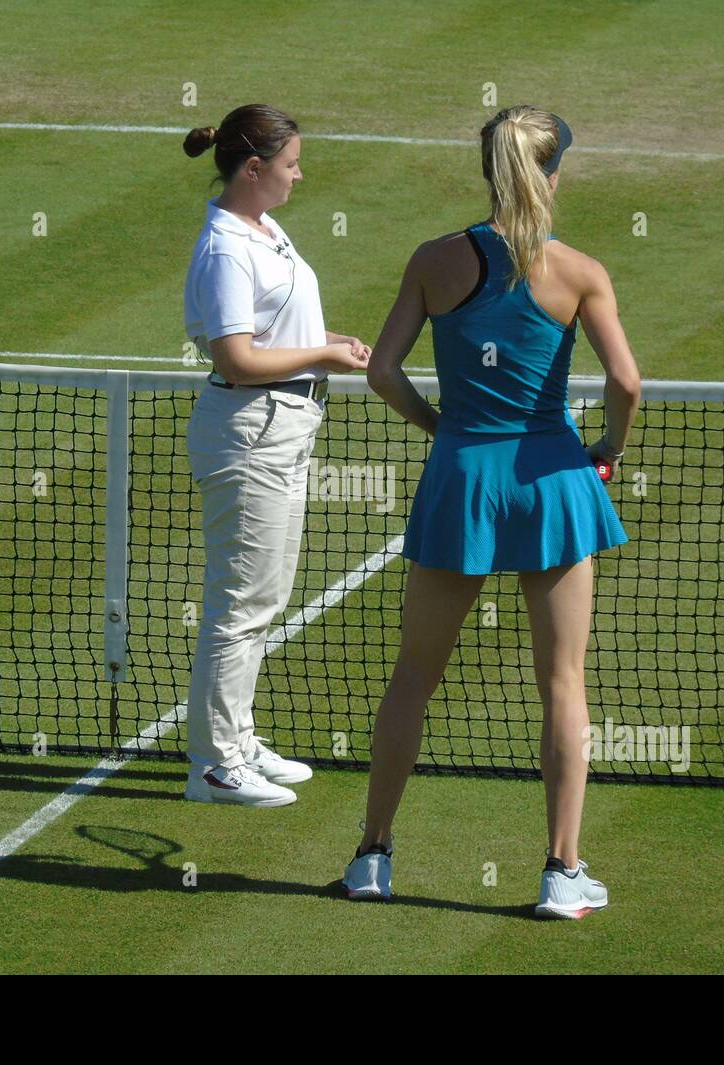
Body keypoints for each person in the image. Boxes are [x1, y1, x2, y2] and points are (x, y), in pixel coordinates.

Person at [343, 105, 641, 916]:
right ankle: (560, 872)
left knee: (413, 676)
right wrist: (607, 448)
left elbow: (383, 371)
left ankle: (372, 855)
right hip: (551, 481)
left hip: (462, 479)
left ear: (488, 171)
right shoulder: (579, 272)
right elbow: (627, 381)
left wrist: (443, 428)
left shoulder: (434, 261)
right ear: (553, 174)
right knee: (563, 681)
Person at [181, 104, 372, 807]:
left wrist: (326, 342)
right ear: (254, 169)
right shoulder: (228, 247)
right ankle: (213, 765)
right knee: (240, 602)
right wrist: (322, 352)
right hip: (251, 429)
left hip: (285, 423)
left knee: (265, 595)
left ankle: (239, 738)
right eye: (290, 164)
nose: (300, 173)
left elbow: (272, 329)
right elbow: (235, 358)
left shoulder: (263, 228)